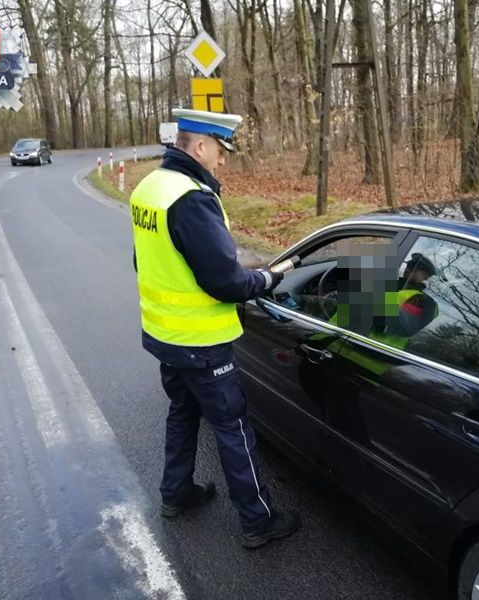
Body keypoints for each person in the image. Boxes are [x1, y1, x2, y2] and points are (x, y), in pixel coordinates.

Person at [129, 108, 301, 549]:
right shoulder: (191, 198)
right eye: (221, 152)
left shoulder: (149, 187)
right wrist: (267, 278)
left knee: (183, 411)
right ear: (200, 146)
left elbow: (142, 260)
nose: (222, 161)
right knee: (232, 427)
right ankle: (257, 520)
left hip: (163, 335)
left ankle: (176, 493)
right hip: (202, 341)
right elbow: (227, 282)